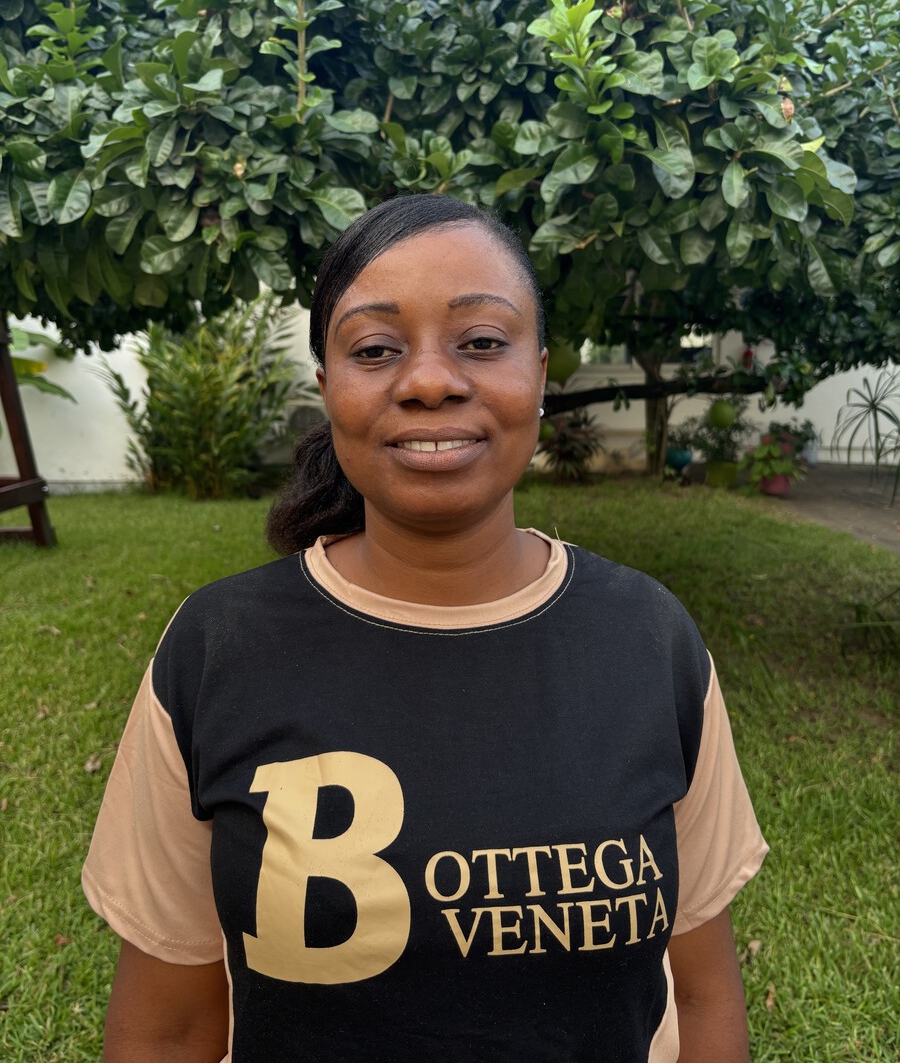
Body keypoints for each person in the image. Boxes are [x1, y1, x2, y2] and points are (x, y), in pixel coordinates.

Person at [83, 193, 767, 1063]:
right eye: (375, 349)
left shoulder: (649, 639)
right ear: (328, 390)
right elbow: (170, 1026)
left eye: (481, 341)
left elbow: (703, 997)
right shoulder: (218, 649)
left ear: (540, 374)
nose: (431, 381)